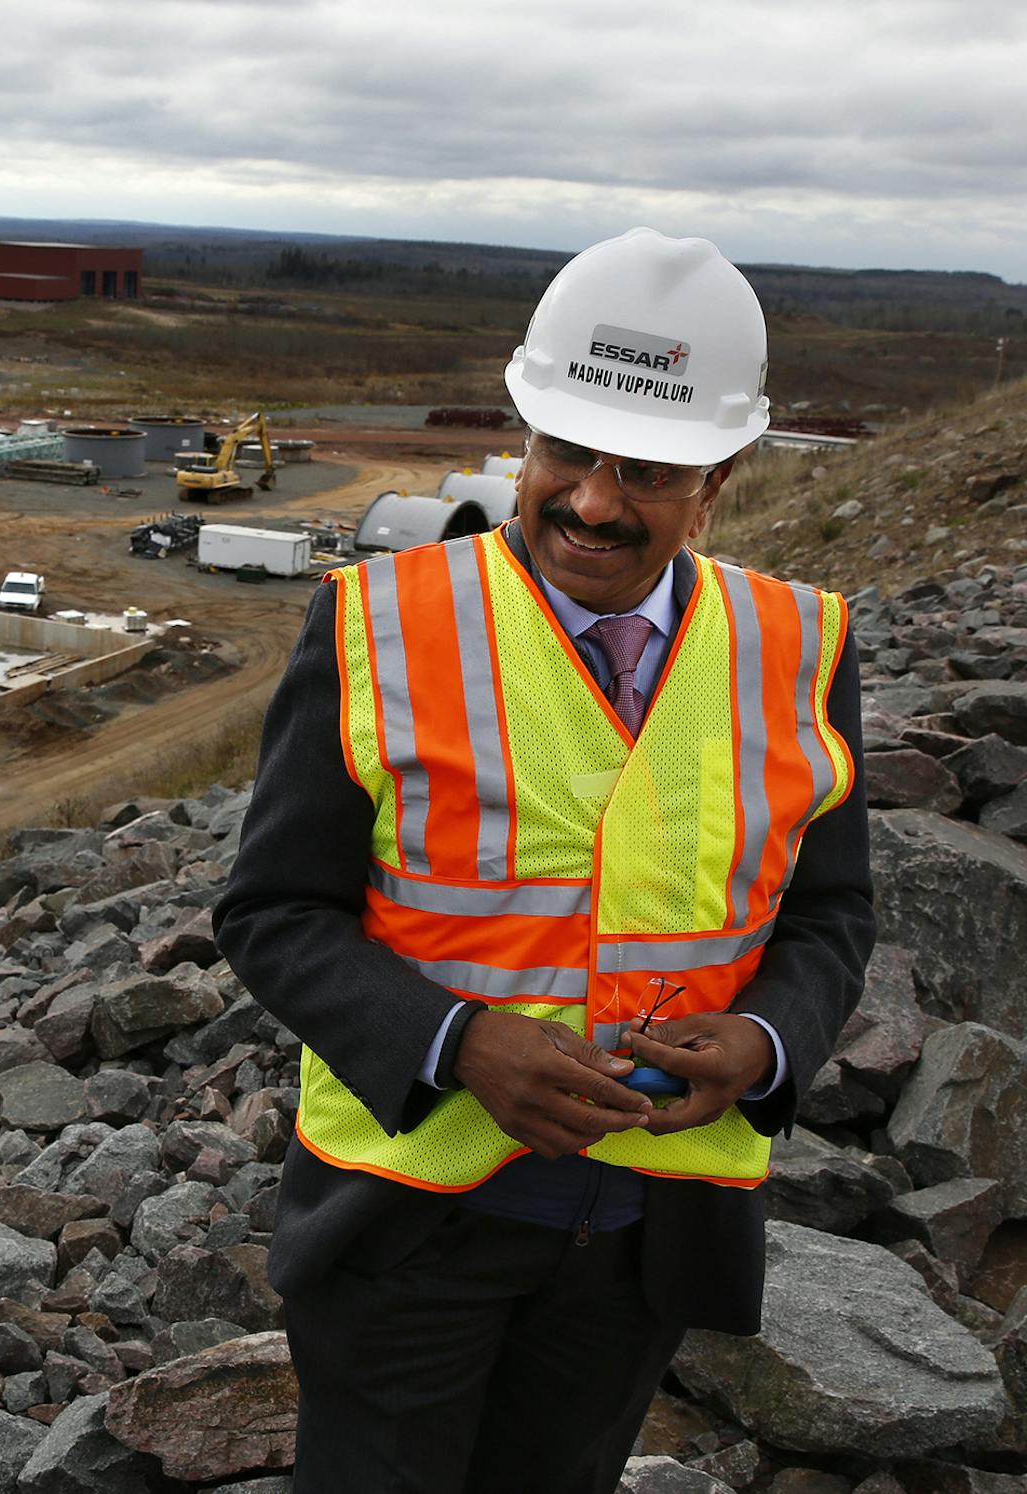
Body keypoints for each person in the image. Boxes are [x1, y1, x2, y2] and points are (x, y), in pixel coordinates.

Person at [213, 228, 874, 1494]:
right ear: (525, 435)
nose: (593, 501)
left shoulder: (800, 645)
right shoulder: (377, 625)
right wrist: (456, 1044)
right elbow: (273, 911)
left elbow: (830, 911)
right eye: (567, 453)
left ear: (721, 474)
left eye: (650, 473)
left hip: (649, 1233)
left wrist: (771, 1046)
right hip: (406, 1222)